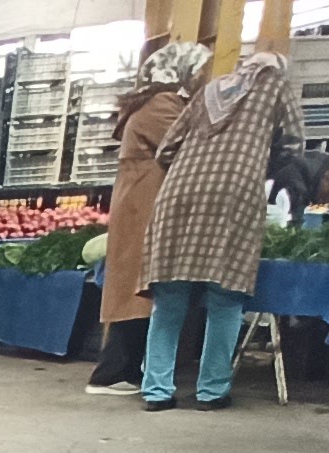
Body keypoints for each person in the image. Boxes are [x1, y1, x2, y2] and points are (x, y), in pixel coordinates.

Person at [141, 52, 288, 408]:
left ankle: (156, 391)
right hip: (233, 197)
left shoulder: (207, 91)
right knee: (225, 298)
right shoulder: (275, 87)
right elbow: (296, 142)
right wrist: (257, 161)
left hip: (178, 196)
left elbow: (165, 150)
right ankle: (211, 391)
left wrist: (194, 168)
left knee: (170, 300)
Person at [88, 42, 209, 393]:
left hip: (140, 202)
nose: (202, 78)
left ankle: (123, 370)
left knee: (135, 288)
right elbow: (188, 145)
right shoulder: (162, 104)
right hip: (145, 205)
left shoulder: (154, 102)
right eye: (199, 70)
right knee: (135, 289)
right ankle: (112, 372)